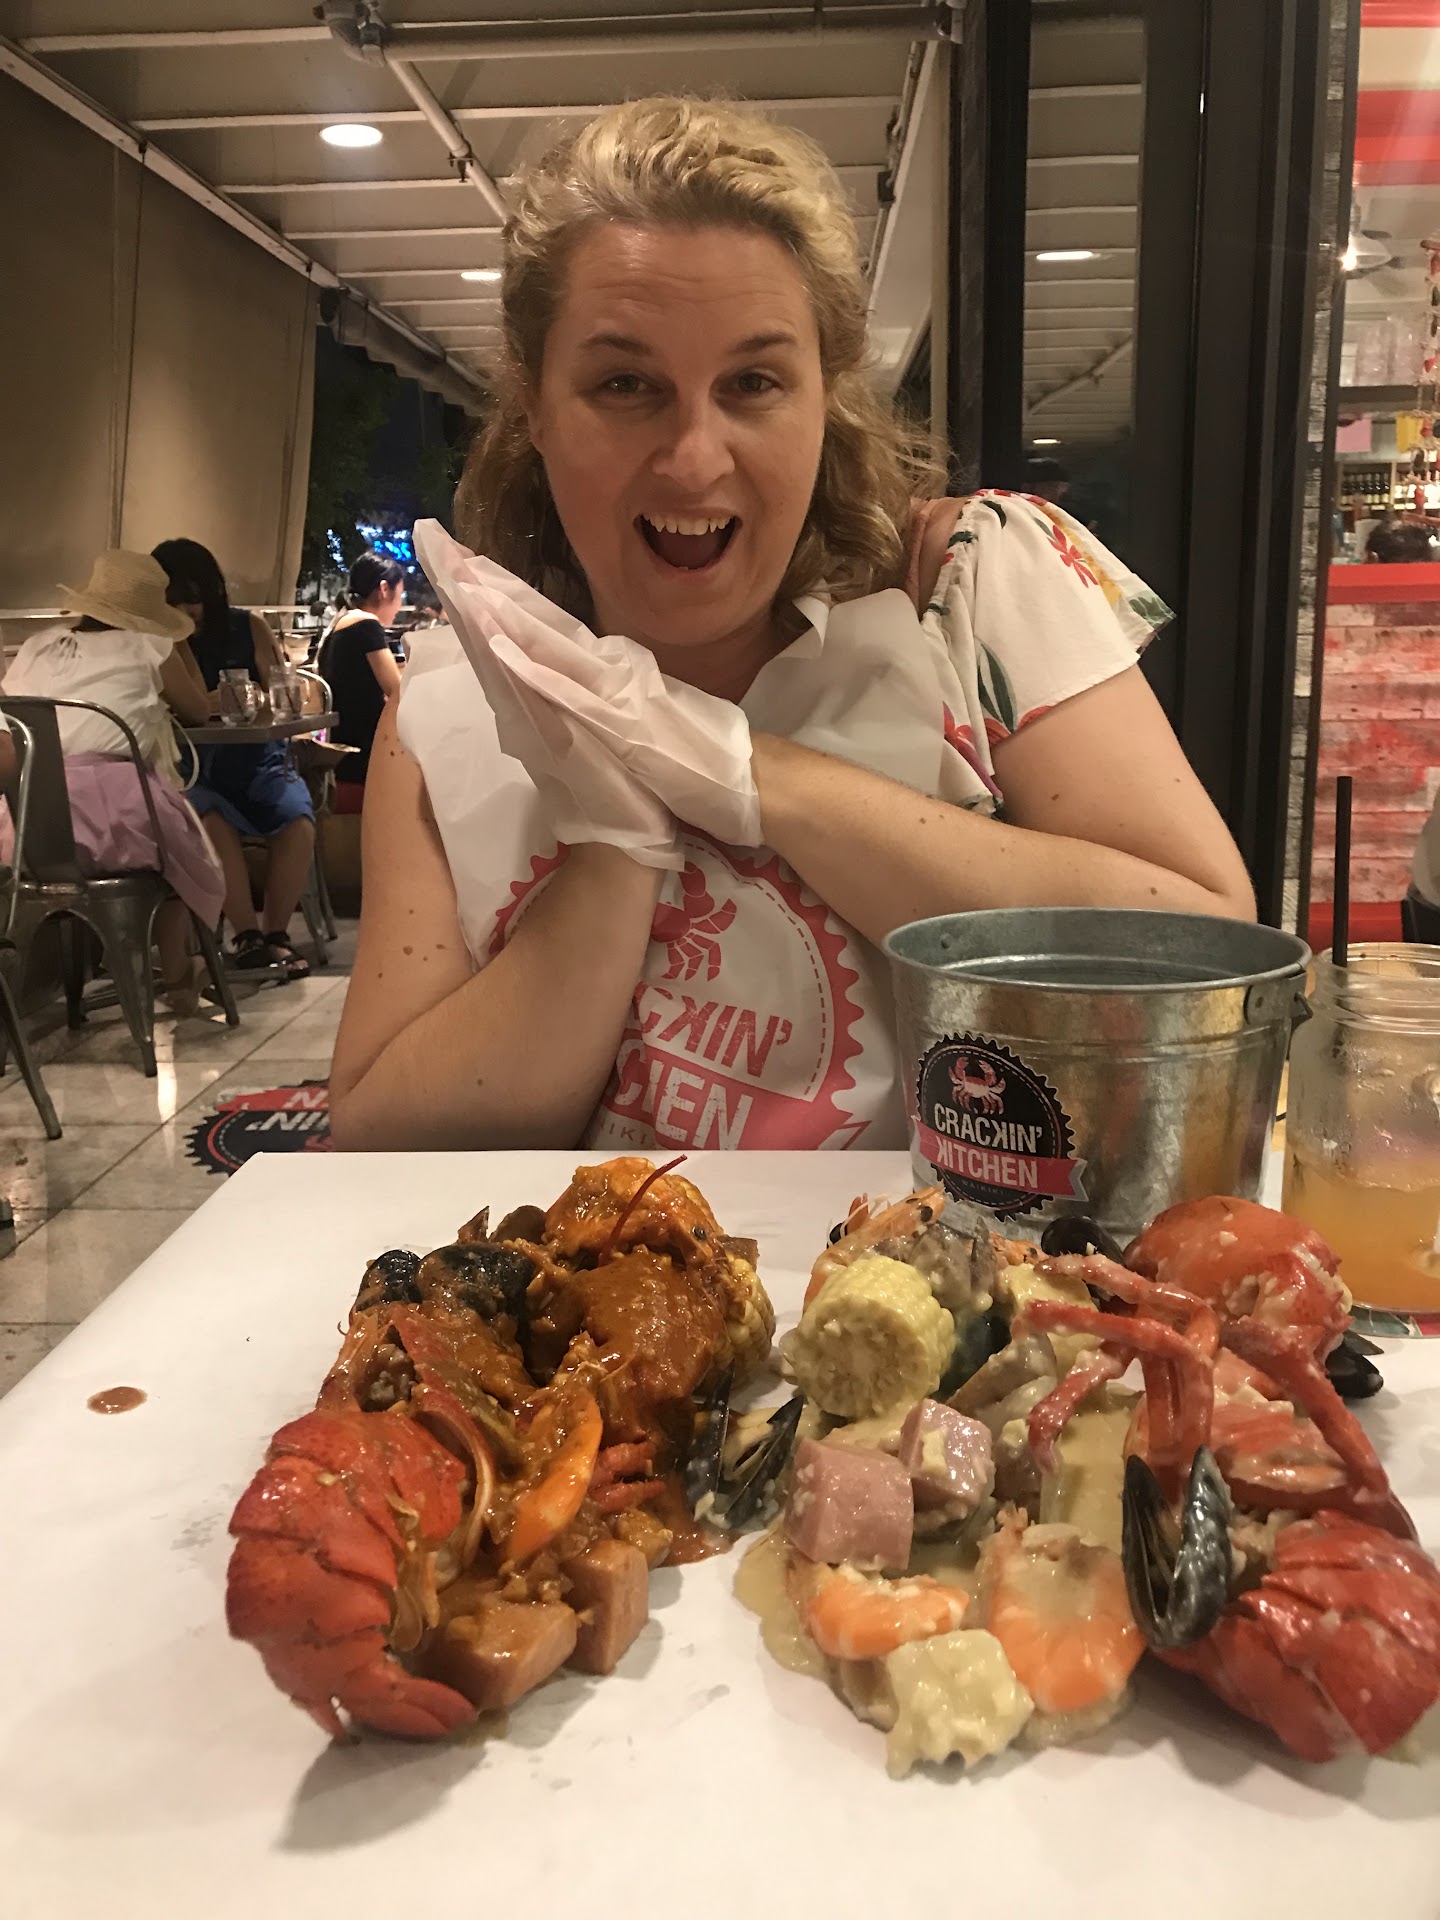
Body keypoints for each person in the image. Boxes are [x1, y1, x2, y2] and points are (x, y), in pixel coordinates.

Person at [329, 97, 1254, 1153]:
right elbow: (378, 1145)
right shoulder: (443, 718)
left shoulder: (968, 585)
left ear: (826, 397)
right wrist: (613, 850)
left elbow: (1205, 968)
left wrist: (750, 772)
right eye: (625, 384)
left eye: (754, 382)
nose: (693, 458)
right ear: (534, 406)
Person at [0, 550, 224, 1013]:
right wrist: (176, 638)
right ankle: (179, 973)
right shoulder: (149, 646)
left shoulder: (37, 646)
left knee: (167, 838)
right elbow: (200, 710)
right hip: (114, 813)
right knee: (177, 850)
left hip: (26, 820)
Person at [151, 538, 315, 981]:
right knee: (208, 817)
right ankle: (247, 937)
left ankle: (277, 933)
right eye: (174, 600)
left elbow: (282, 690)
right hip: (193, 767)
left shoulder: (248, 627)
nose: (187, 611)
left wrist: (259, 699)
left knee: (296, 817)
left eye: (195, 598)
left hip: (257, 758)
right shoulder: (158, 644)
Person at [315, 552, 405, 801]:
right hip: (365, 757)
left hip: (341, 751)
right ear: (384, 589)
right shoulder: (366, 624)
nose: (399, 606)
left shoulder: (340, 622)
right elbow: (398, 692)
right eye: (400, 595)